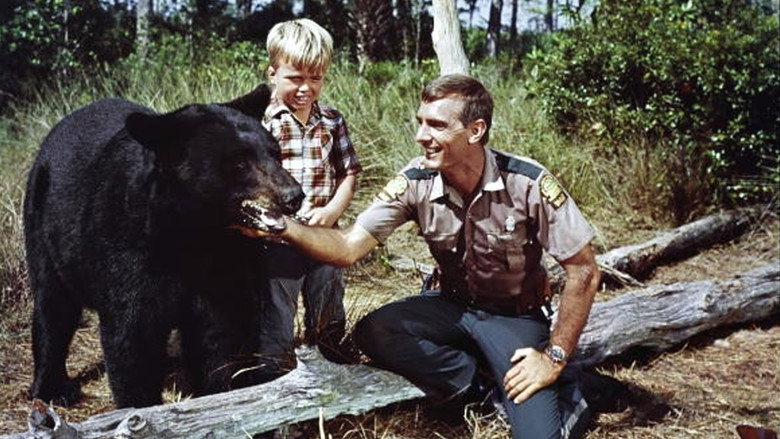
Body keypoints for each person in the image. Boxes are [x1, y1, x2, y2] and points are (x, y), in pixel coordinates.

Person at [239, 74, 600, 439]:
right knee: (377, 330)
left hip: (514, 317)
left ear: (475, 131)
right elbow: (348, 247)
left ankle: (574, 393)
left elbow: (584, 271)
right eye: (420, 122)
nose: (421, 136)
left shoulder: (525, 182)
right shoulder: (415, 180)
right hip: (452, 307)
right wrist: (284, 228)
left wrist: (553, 358)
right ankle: (479, 389)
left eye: (437, 125)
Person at [256, 18, 362, 381]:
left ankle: (333, 367)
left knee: (328, 303)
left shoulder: (331, 120)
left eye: (315, 78)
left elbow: (349, 172)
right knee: (276, 311)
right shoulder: (263, 123)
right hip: (277, 238)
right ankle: (274, 376)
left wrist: (332, 211)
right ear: (273, 73)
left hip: (324, 235)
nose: (306, 88)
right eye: (295, 78)